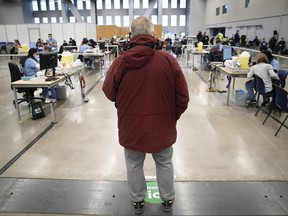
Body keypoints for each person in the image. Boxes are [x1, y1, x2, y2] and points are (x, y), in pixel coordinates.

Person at [102, 16, 189, 214]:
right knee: (165, 162)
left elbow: (108, 91)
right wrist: (171, 116)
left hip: (131, 126)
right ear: (152, 34)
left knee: (133, 164)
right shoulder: (168, 60)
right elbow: (183, 96)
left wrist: (123, 106)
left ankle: (138, 202)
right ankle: (167, 200)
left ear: (131, 36)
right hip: (162, 125)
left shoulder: (121, 62)